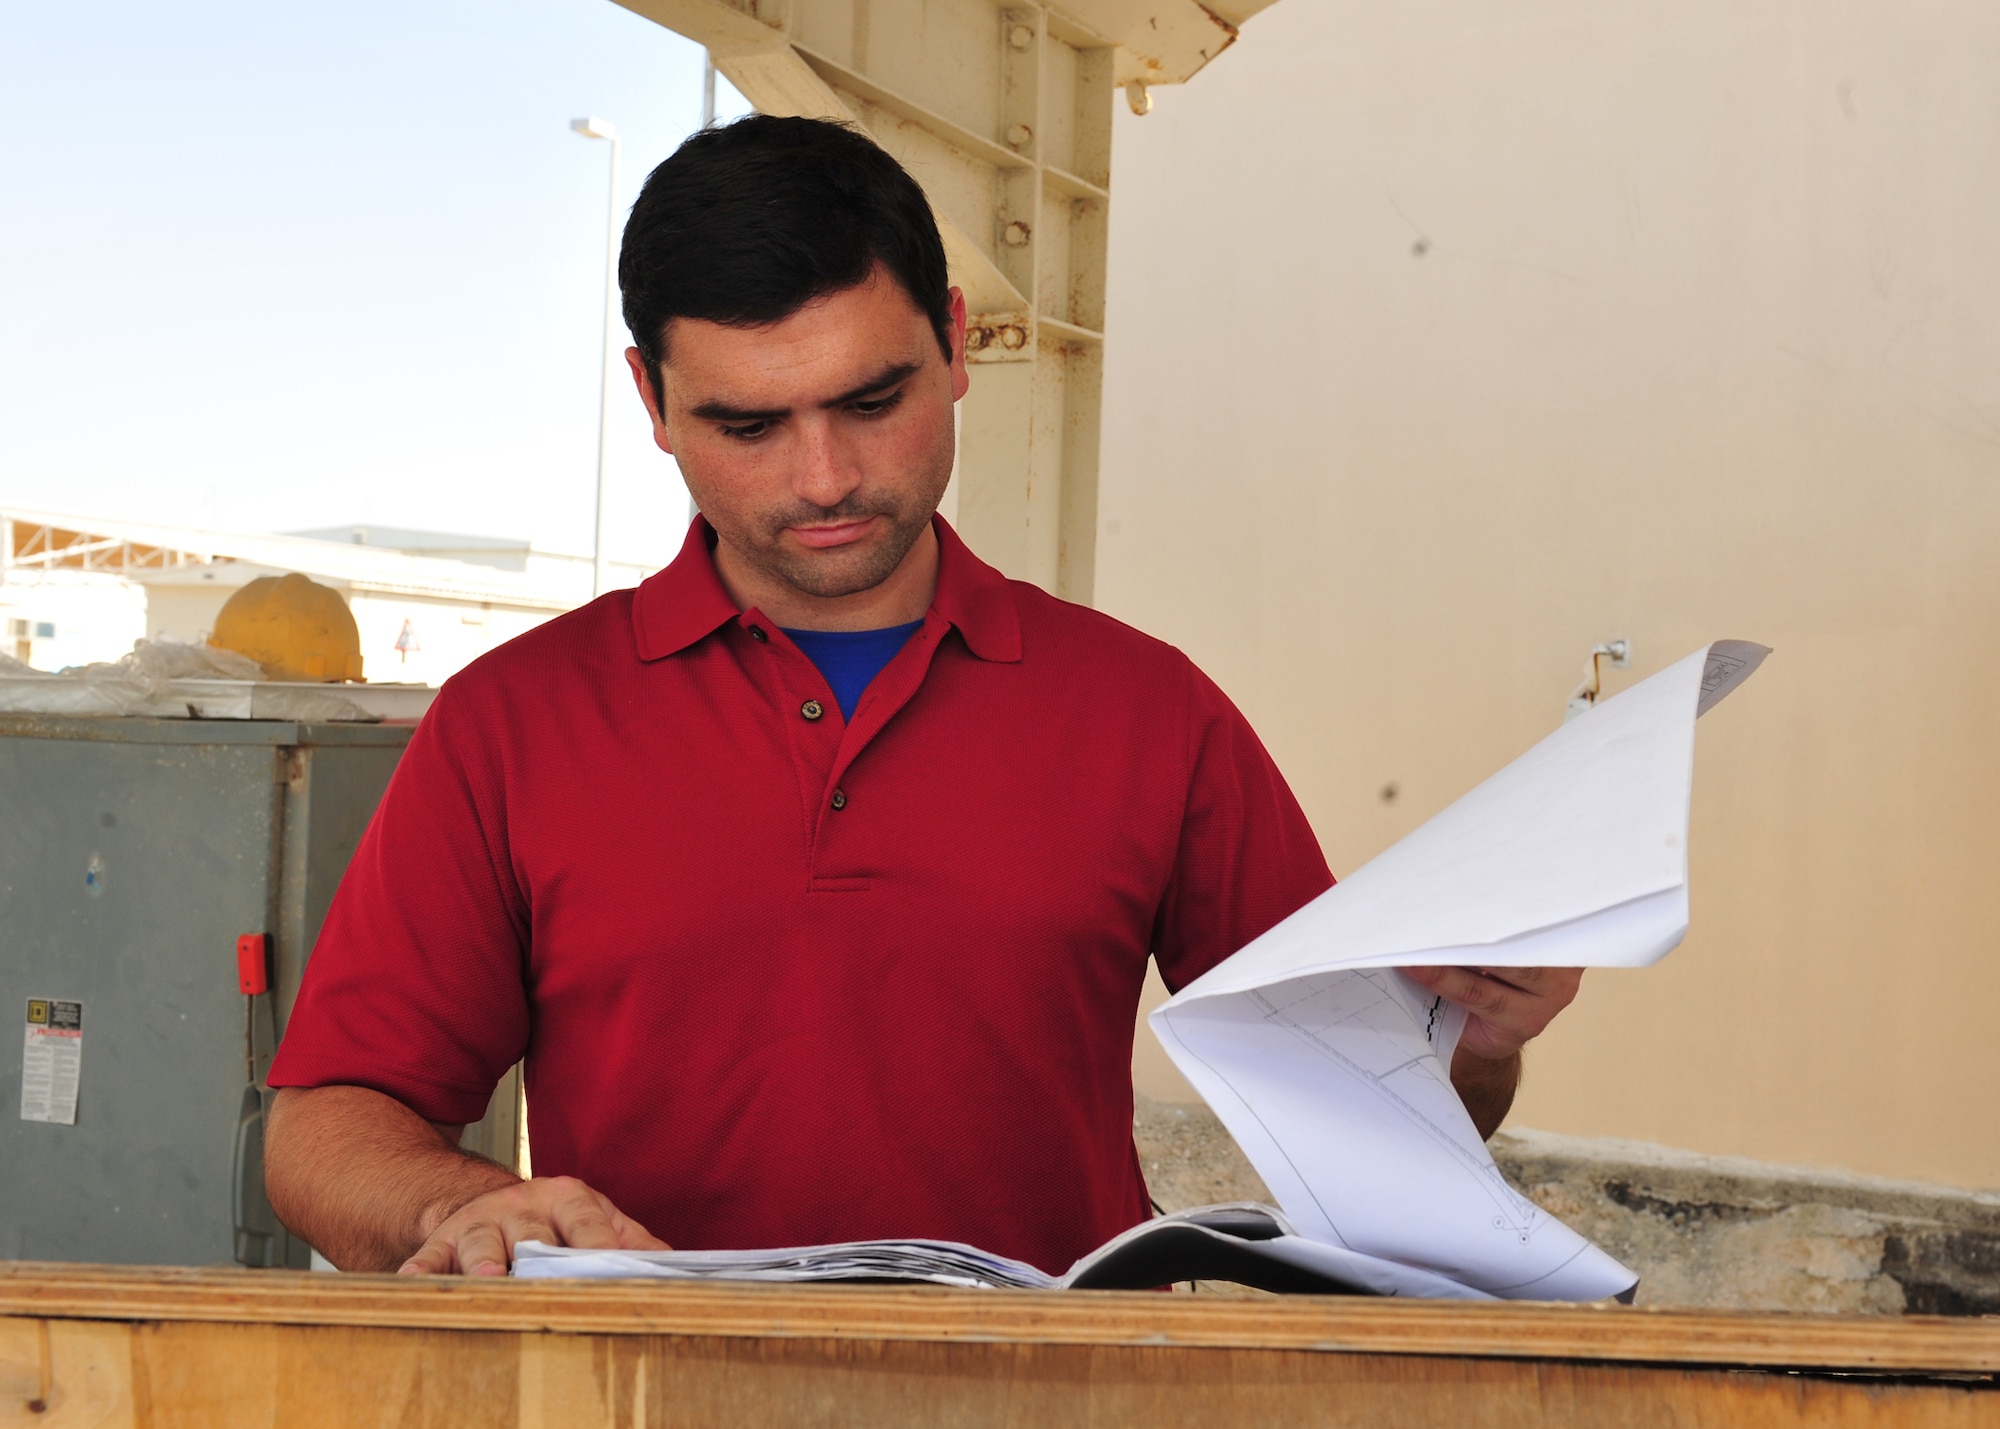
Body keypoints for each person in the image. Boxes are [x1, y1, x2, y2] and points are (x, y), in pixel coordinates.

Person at [263, 114, 1580, 1278]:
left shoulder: (1147, 712)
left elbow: (1386, 1120)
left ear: (955, 344)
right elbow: (324, 1127)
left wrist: (1476, 1037)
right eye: (749, 425)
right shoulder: (514, 722)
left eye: (871, 398)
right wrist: (473, 1202)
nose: (827, 475)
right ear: (652, 404)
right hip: (647, 1392)